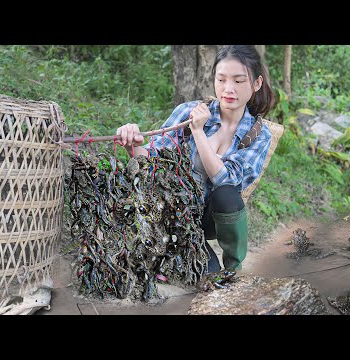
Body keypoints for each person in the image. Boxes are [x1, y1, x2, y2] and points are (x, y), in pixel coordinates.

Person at [116, 45, 275, 273]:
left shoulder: (259, 135)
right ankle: (184, 247)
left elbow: (226, 179)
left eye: (239, 81)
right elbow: (152, 160)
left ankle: (234, 267)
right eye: (221, 80)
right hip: (176, 214)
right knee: (206, 273)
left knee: (227, 194)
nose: (228, 89)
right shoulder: (188, 111)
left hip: (213, 219)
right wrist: (133, 146)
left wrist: (199, 132)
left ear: (256, 83)